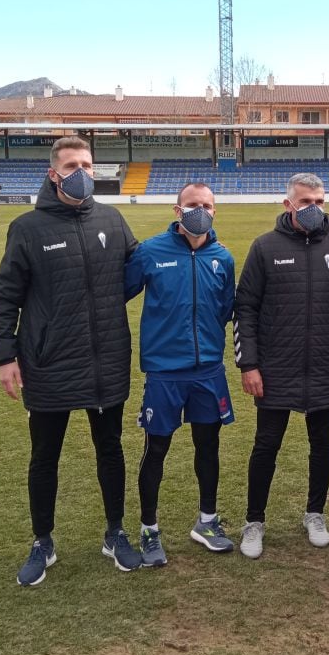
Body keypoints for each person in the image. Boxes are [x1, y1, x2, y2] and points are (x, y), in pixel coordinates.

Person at [0, 136, 142, 586]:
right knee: (45, 456)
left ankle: (115, 533)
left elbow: (136, 271)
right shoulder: (28, 228)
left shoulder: (113, 219)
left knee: (110, 450)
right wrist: (5, 356)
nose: (82, 171)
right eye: (72, 164)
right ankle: (42, 540)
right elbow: (4, 296)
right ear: (53, 174)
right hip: (49, 362)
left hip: (107, 358)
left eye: (88, 164)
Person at [234, 172, 329, 559]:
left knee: (322, 445)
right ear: (288, 204)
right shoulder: (264, 248)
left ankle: (315, 514)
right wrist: (250, 364)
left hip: (327, 368)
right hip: (275, 369)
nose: (314, 208)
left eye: (320, 201)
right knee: (266, 446)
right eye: (306, 201)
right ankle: (254, 521)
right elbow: (245, 309)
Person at [124, 183, 236, 567]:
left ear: (214, 211)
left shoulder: (223, 257)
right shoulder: (150, 252)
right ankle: (149, 529)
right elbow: (118, 293)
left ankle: (207, 522)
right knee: (156, 450)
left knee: (209, 447)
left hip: (208, 371)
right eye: (192, 206)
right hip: (164, 374)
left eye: (206, 206)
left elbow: (225, 310)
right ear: (177, 210)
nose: (199, 211)